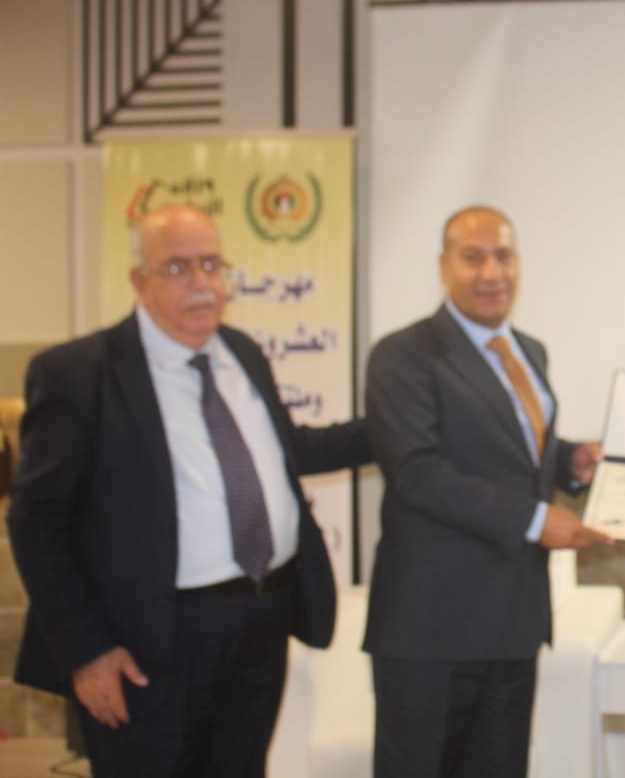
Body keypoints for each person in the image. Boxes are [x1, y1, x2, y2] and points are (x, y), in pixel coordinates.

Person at [6, 204, 370, 777]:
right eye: (177, 268)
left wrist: (399, 427)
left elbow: (287, 451)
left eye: (211, 264)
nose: (201, 283)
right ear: (138, 279)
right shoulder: (78, 374)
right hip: (149, 638)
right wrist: (85, 651)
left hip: (260, 621)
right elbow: (36, 522)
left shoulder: (241, 352)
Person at [363, 205, 611, 777]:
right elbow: (417, 473)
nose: (491, 272)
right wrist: (535, 520)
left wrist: (568, 461)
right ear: (443, 267)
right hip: (432, 629)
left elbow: (510, 451)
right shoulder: (403, 355)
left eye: (503, 255)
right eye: (472, 258)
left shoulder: (529, 350)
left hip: (513, 621)